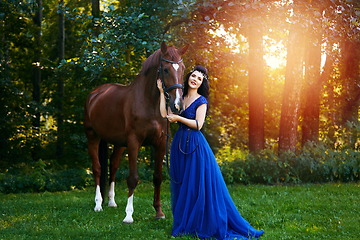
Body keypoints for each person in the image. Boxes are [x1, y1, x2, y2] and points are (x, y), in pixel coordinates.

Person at [157, 65, 264, 240]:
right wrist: (162, 92)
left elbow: (199, 124)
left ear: (201, 83)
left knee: (195, 186)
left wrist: (179, 118)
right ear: (188, 77)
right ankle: (184, 223)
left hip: (195, 145)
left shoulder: (202, 101)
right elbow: (164, 114)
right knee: (182, 184)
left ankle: (198, 222)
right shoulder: (181, 97)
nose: (195, 79)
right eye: (193, 76)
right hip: (179, 145)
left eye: (199, 78)